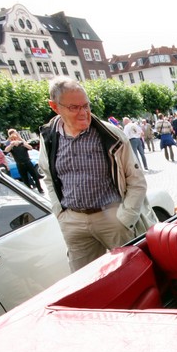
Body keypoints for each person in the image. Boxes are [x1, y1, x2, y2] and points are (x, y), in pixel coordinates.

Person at [38, 77, 156, 272]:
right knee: (85, 280)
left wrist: (125, 218)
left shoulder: (111, 135)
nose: (83, 113)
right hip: (73, 222)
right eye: (74, 107)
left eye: (86, 105)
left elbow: (136, 180)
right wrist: (60, 213)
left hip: (113, 217)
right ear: (55, 107)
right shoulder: (49, 137)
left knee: (135, 272)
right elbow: (48, 177)